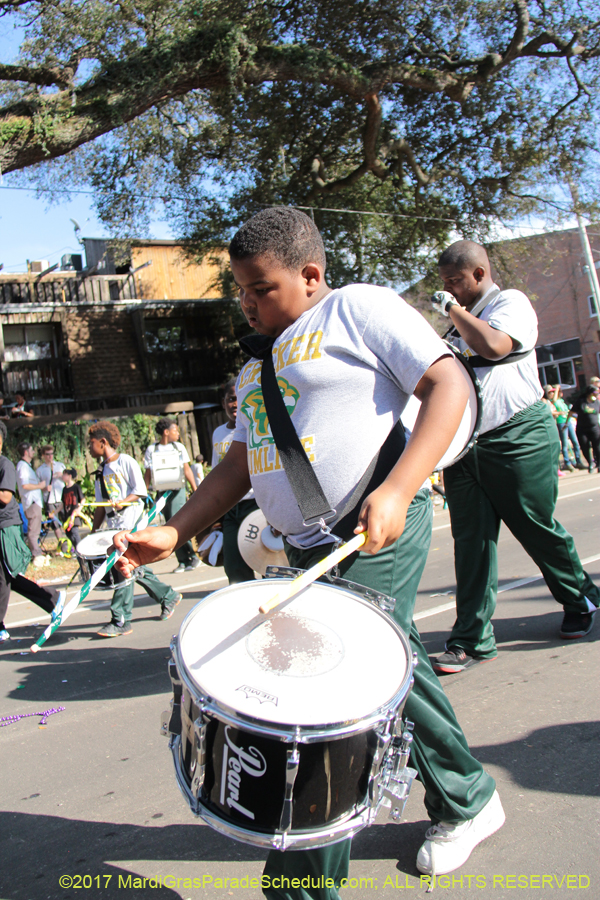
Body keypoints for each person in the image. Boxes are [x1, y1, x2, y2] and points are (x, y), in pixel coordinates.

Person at [114, 208, 504, 892]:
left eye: (260, 288)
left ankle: (300, 882)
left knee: (327, 698)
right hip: (306, 549)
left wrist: (399, 489)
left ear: (311, 275)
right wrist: (174, 530)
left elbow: (450, 383)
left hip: (373, 525)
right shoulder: (254, 367)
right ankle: (468, 795)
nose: (247, 302)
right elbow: (239, 463)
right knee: (397, 664)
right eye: (240, 290)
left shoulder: (359, 310)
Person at [429, 240, 600, 674]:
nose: (448, 290)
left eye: (455, 282)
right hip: (467, 445)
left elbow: (495, 347)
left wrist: (453, 310)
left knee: (534, 523)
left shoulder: (509, 303)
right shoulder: (456, 327)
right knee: (470, 542)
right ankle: (470, 639)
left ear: (479, 274)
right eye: (444, 284)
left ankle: (578, 597)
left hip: (518, 434)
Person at [88, 421, 182, 637]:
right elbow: (100, 504)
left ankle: (120, 619)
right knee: (131, 566)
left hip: (132, 522)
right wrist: (94, 531)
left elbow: (140, 490)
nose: (89, 448)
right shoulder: (100, 471)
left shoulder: (125, 462)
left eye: (91, 443)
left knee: (122, 570)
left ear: (103, 442)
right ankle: (168, 596)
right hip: (114, 527)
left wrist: (123, 501)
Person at [0, 422, 65, 643]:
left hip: (6, 526)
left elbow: (6, 497)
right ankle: (53, 598)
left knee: (4, 575)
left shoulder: (5, 464)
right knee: (9, 577)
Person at [211, 378, 259, 583]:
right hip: (231, 509)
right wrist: (215, 514)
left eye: (240, 399)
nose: (235, 404)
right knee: (234, 567)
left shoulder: (257, 428)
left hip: (256, 505)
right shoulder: (218, 433)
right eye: (231, 399)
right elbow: (217, 473)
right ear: (223, 403)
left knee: (269, 561)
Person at [143, 418, 201, 574]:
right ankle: (182, 560)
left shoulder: (179, 447)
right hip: (162, 492)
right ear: (166, 432)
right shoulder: (152, 450)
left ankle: (192, 556)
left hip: (177, 490)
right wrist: (144, 491)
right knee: (169, 525)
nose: (177, 433)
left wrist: (195, 488)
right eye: (175, 430)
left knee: (178, 522)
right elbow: (148, 472)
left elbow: (186, 469)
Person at [15, 442, 49, 567]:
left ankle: (35, 553)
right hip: (32, 503)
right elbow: (25, 485)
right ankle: (36, 555)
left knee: (35, 529)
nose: (33, 452)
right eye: (31, 450)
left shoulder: (26, 466)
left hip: (35, 502)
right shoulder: (22, 466)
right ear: (26, 452)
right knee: (33, 530)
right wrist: (39, 486)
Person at [549, 386, 586, 471]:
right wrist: (557, 389)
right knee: (565, 443)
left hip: (567, 422)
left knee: (575, 442)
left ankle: (578, 461)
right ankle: (567, 463)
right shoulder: (554, 401)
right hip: (561, 423)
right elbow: (554, 400)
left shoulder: (561, 401)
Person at [36, 444, 67, 539]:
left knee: (67, 521)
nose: (50, 456)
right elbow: (37, 486)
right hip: (50, 500)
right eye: (47, 454)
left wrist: (62, 475)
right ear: (43, 456)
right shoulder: (40, 470)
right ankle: (62, 545)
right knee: (55, 523)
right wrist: (44, 488)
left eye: (52, 454)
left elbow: (69, 480)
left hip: (61, 498)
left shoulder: (60, 466)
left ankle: (71, 544)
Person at [569, 385, 600, 473]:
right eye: (595, 392)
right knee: (585, 447)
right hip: (582, 429)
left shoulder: (597, 402)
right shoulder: (581, 402)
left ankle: (599, 464)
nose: (597, 394)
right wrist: (567, 423)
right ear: (589, 393)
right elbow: (571, 412)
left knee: (597, 447)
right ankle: (590, 463)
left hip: (594, 428)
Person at [60, 468, 86, 550]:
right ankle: (77, 550)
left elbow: (83, 499)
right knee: (69, 534)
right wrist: (54, 512)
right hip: (67, 516)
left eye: (65, 474)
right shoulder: (64, 489)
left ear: (70, 476)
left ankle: (81, 550)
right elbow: (62, 503)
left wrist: (79, 509)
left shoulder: (76, 487)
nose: (63, 476)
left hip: (74, 516)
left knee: (75, 533)